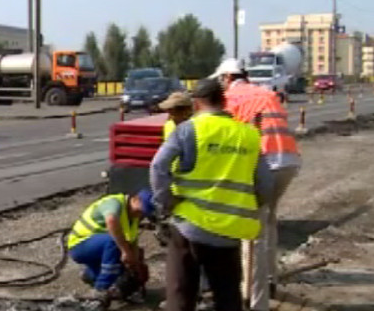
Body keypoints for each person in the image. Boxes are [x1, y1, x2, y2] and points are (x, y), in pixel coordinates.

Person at [150, 79, 273, 311]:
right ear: (224, 101)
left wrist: (166, 202)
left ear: (196, 103)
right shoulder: (247, 134)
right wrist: (245, 207)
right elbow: (266, 184)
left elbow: (158, 167)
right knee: (228, 297)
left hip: (190, 227)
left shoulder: (188, 130)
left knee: (180, 296)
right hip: (229, 231)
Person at [212, 58, 302, 310]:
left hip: (265, 164)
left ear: (228, 78)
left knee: (253, 234)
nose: (221, 85)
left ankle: (254, 300)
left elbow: (231, 140)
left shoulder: (231, 98)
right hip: (289, 160)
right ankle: (271, 280)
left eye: (221, 80)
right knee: (270, 220)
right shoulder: (266, 93)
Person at [67, 189, 155, 305]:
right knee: (114, 242)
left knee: (129, 254)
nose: (141, 215)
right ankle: (100, 289)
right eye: (140, 211)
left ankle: (92, 274)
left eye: (144, 213)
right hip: (80, 244)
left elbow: (133, 246)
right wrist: (125, 251)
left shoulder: (133, 220)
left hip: (98, 248)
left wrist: (136, 268)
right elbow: (111, 221)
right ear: (135, 200)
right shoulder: (114, 203)